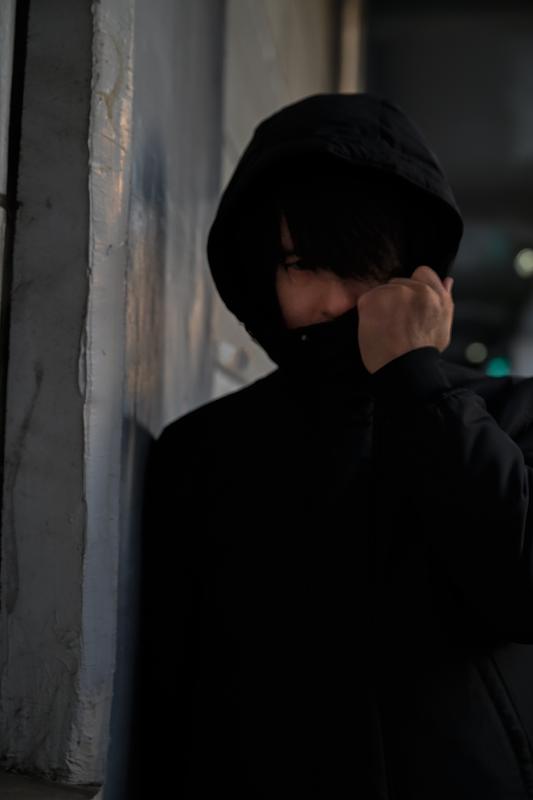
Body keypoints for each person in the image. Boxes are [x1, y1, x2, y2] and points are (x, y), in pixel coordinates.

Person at [141, 93, 533, 799]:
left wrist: (416, 383)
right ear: (262, 270)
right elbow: (169, 695)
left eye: (360, 268)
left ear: (414, 275)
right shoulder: (201, 452)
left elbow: (520, 590)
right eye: (301, 265)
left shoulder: (510, 415)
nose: (331, 302)